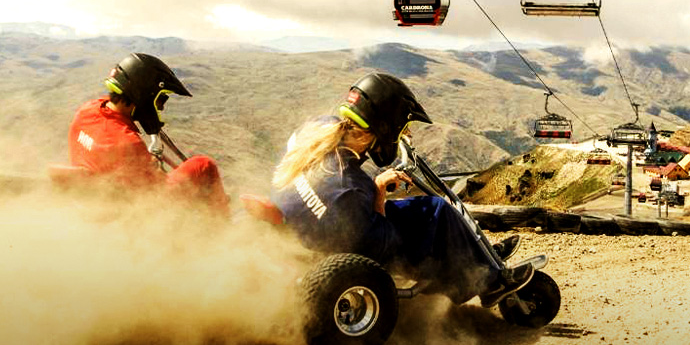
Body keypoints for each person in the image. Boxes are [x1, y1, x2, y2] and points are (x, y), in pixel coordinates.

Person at [271, 72, 531, 307]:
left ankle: (476, 256)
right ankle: (487, 283)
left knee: (415, 212)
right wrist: (378, 189)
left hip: (306, 223)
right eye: (402, 128)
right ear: (385, 127)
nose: (405, 133)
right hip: (344, 244)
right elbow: (381, 247)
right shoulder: (351, 188)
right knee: (436, 210)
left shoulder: (317, 130)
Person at [67, 52, 229, 214]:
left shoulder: (87, 109)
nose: (161, 107)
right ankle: (220, 225)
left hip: (95, 198)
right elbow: (154, 195)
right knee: (204, 165)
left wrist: (143, 162)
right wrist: (153, 169)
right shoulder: (128, 142)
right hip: (129, 210)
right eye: (161, 99)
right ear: (143, 94)